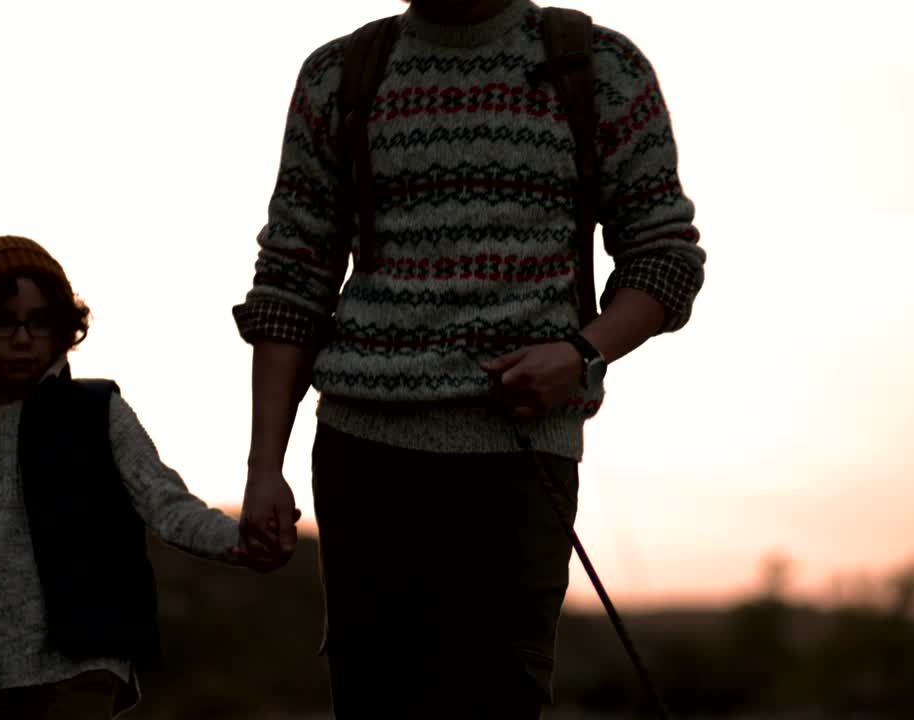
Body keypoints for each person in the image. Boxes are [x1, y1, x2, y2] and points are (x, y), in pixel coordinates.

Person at [233, 0, 705, 715]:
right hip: (363, 457)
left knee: (496, 699)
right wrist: (263, 469)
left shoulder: (599, 66)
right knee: (374, 699)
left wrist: (581, 354)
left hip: (519, 461)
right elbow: (290, 285)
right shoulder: (340, 74)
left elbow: (665, 259)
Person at [0, 235, 259, 719]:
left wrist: (240, 539)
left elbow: (165, 502)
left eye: (39, 321)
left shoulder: (98, 411)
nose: (22, 337)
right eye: (3, 322)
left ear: (62, 327)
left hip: (85, 657)